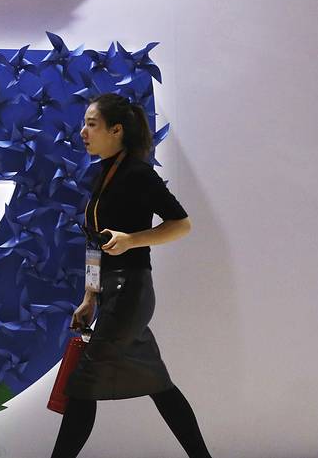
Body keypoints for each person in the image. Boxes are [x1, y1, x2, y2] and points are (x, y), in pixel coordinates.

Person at [49, 93, 213, 458]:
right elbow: (96, 241)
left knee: (83, 384)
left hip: (130, 291)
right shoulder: (104, 174)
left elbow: (181, 224)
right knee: (159, 385)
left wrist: (133, 240)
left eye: (91, 124)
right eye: (84, 124)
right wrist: (90, 296)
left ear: (116, 130)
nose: (83, 132)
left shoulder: (138, 173)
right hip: (113, 293)